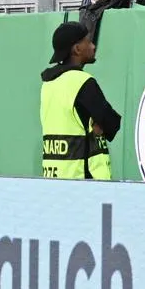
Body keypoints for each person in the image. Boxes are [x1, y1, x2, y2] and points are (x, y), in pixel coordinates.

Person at [39, 21, 120, 178]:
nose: (93, 46)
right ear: (77, 49)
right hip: (83, 179)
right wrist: (99, 124)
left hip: (53, 176)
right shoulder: (82, 82)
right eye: (88, 42)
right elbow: (111, 122)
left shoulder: (48, 84)